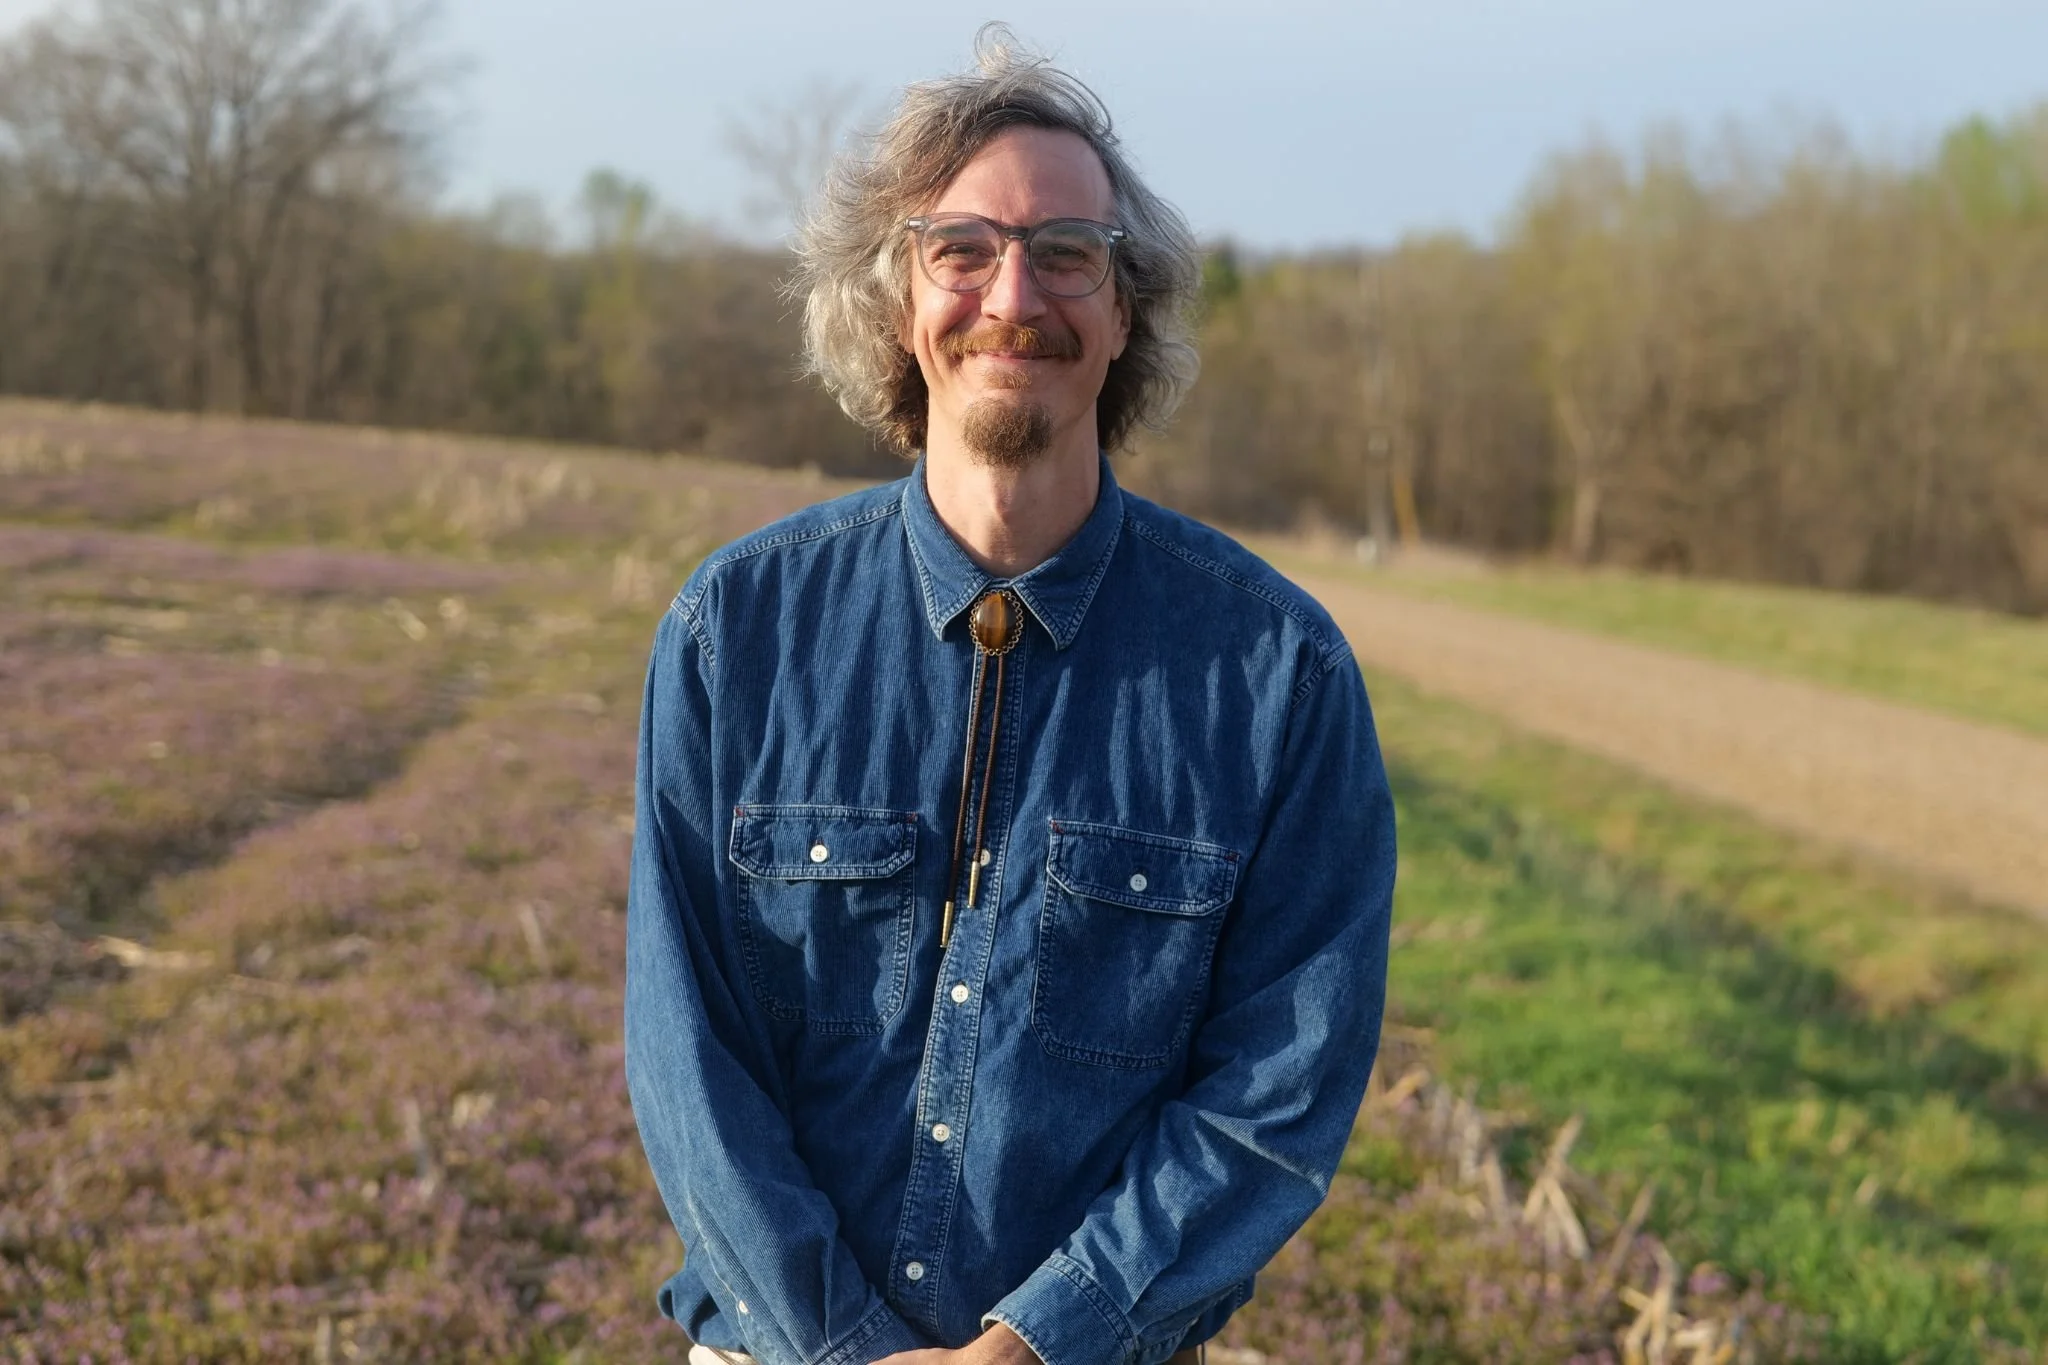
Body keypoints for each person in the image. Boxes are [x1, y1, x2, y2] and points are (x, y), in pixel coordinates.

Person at [625, 28, 1396, 1365]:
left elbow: (1281, 1085)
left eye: (1068, 254)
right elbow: (687, 1053)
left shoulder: (1279, 677)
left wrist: (1041, 1342)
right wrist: (843, 1342)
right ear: (894, 305)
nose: (1012, 293)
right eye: (961, 249)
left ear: (1124, 316)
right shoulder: (731, 634)